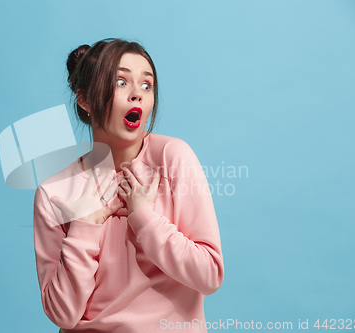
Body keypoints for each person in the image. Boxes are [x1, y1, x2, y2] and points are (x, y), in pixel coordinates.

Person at [33, 38, 224, 333]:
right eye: (121, 82)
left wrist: (145, 218)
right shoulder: (54, 192)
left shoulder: (172, 157)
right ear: (84, 100)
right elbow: (62, 314)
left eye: (146, 86)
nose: (137, 95)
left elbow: (209, 275)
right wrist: (84, 226)